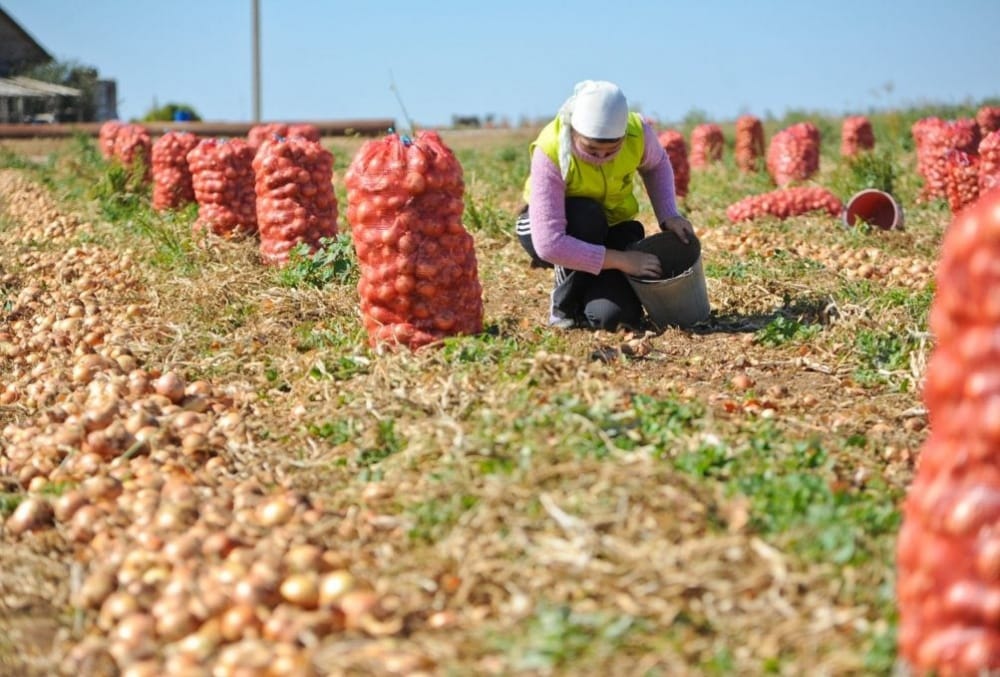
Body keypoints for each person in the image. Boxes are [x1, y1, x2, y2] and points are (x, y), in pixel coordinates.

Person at [515, 80, 694, 330]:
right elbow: (550, 245)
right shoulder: (551, 148)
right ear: (574, 132)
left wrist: (669, 214)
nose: (601, 158)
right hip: (549, 230)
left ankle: (590, 292)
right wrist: (623, 260)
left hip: (608, 228)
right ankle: (563, 305)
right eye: (591, 149)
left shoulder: (636, 132)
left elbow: (657, 164)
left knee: (613, 318)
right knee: (587, 217)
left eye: (612, 150)